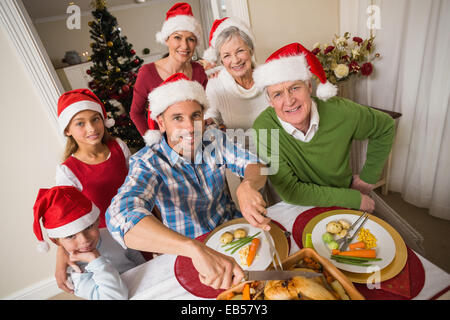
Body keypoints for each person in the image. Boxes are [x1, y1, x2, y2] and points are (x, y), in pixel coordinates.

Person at [106, 73, 270, 290]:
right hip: (187, 252)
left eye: (195, 116)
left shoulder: (214, 139)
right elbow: (120, 216)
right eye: (177, 118)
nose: (190, 128)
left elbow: (254, 164)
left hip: (235, 231)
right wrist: (192, 248)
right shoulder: (148, 162)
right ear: (161, 123)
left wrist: (247, 184)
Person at [252, 43, 395, 212]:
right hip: (298, 205)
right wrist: (352, 198)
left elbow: (385, 126)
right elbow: (291, 191)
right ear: (270, 101)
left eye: (295, 88)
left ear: (309, 87)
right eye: (278, 94)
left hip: (342, 197)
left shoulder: (340, 110)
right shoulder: (263, 129)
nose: (289, 101)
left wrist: (368, 177)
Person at [54, 88, 132, 294]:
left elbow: (136, 183)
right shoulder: (67, 171)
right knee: (119, 285)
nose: (91, 128)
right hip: (104, 238)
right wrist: (61, 258)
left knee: (144, 273)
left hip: (135, 223)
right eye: (80, 123)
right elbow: (66, 220)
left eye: (95, 119)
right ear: (67, 130)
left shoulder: (118, 147)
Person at [33, 186, 145, 300]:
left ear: (96, 221)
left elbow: (140, 262)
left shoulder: (113, 234)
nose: (84, 240)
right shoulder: (73, 270)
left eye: (88, 227)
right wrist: (95, 260)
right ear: (57, 241)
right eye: (71, 236)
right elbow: (115, 297)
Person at [130, 2, 208, 136]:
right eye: (177, 37)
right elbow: (135, 113)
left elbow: (201, 109)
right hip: (164, 142)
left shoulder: (199, 71)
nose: (184, 46)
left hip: (193, 138)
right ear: (167, 40)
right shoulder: (147, 73)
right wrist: (154, 139)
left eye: (191, 39)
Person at [203, 17, 267, 130]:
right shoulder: (215, 85)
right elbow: (212, 117)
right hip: (238, 145)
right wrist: (209, 123)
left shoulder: (269, 78)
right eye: (227, 55)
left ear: (251, 50)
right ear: (221, 61)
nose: (236, 60)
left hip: (274, 144)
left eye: (240, 51)